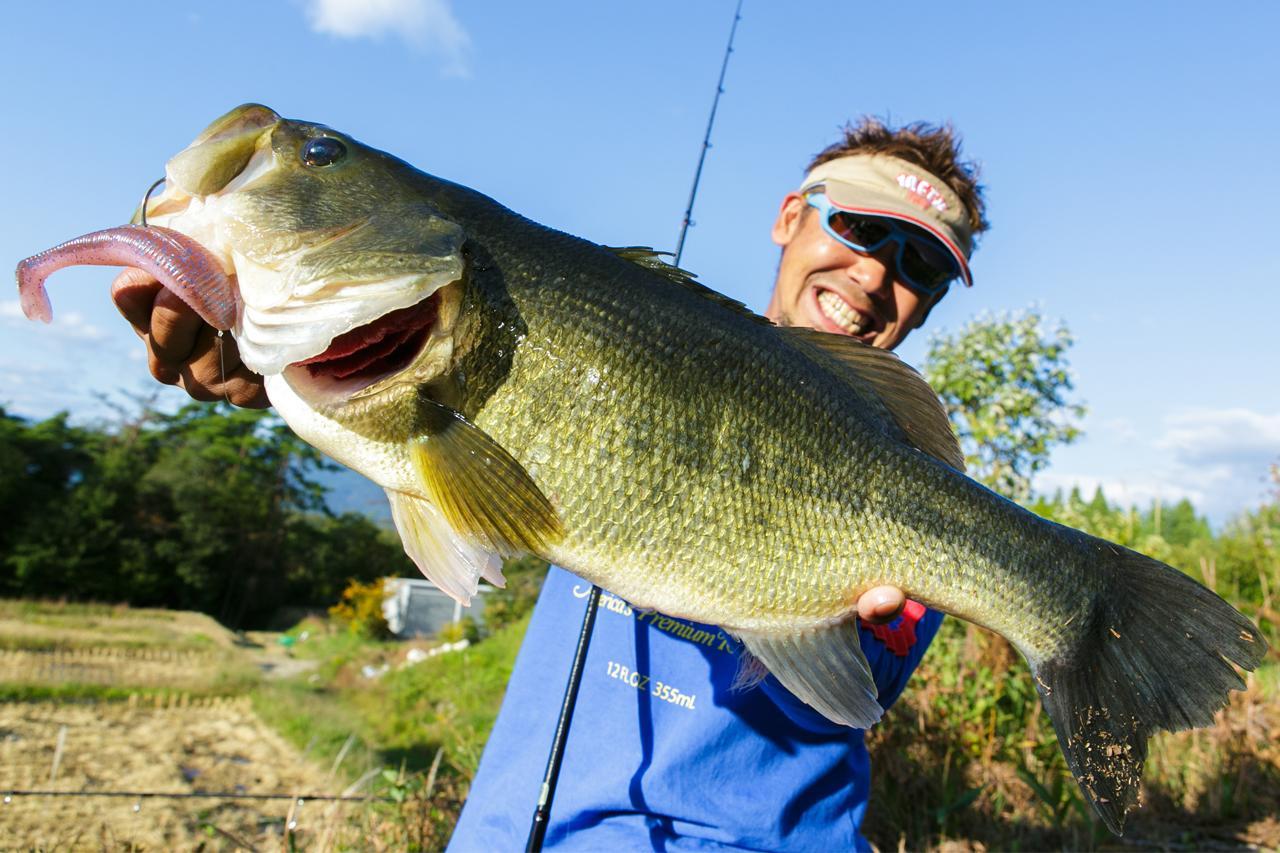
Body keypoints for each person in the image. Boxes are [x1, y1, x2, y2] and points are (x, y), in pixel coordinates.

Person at [113, 116, 988, 850]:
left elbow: (829, 686)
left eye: (925, 265)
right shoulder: (621, 332)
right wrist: (284, 364)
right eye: (862, 229)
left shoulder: (917, 491)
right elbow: (449, 440)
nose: (879, 275)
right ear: (792, 215)